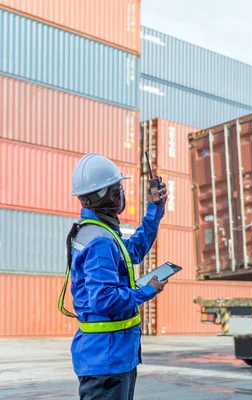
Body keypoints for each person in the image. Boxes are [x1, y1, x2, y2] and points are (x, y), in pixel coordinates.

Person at [59, 153, 169, 400]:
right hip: (106, 359)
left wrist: (155, 208)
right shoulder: (99, 241)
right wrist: (146, 290)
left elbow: (135, 250)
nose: (122, 193)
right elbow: (104, 299)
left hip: (114, 355)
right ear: (106, 195)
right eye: (118, 187)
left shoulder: (102, 233)